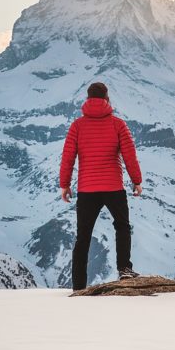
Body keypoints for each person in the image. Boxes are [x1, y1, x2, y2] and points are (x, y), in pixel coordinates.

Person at [59, 81, 143, 290]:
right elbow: (129, 155)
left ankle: (78, 285)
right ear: (107, 99)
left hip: (87, 190)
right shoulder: (118, 124)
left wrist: (65, 184)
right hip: (113, 187)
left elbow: (68, 157)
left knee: (83, 236)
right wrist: (137, 181)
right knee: (122, 226)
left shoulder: (77, 125)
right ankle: (124, 269)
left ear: (87, 99)